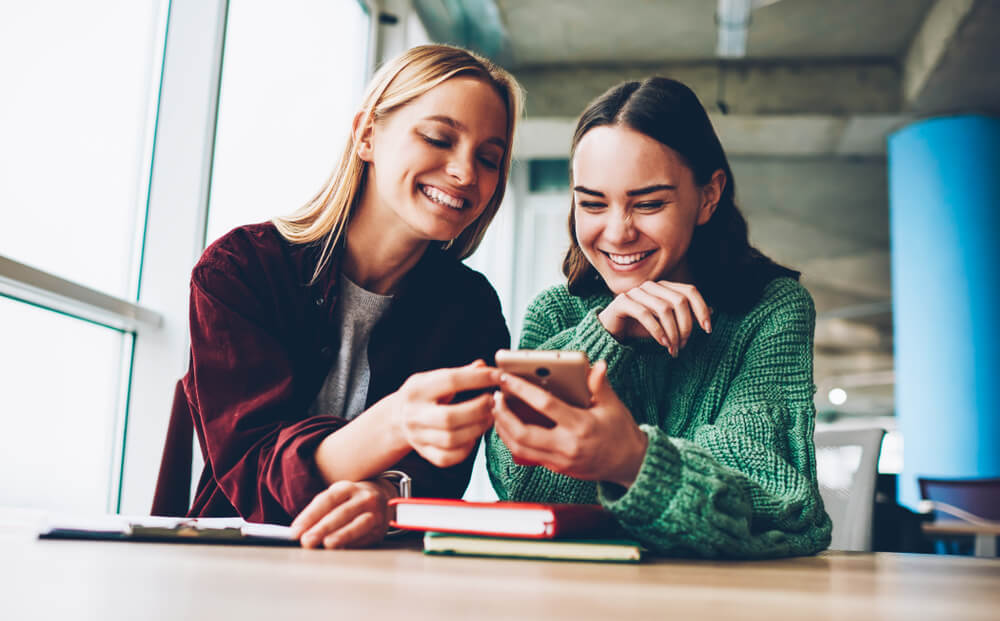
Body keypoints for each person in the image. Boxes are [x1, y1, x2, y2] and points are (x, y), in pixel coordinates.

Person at [157, 45, 522, 549]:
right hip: (236, 562)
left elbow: (437, 479)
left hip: (381, 576)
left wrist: (388, 500)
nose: (465, 173)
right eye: (439, 137)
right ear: (367, 134)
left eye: (489, 158)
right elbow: (252, 469)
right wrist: (394, 423)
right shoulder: (240, 270)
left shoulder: (471, 310)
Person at [486, 77, 832, 558]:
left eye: (648, 204)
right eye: (591, 203)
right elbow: (523, 492)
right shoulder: (556, 313)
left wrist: (630, 458)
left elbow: (773, 503)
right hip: (578, 601)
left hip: (723, 604)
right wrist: (603, 335)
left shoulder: (770, 311)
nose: (617, 232)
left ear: (708, 196)